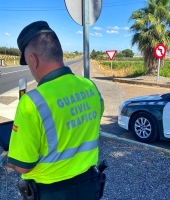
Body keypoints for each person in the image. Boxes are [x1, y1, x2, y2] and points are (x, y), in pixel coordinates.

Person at [7, 21, 105, 200]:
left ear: (33, 60)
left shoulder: (31, 102)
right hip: (89, 187)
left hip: (50, 193)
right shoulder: (91, 88)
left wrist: (8, 158)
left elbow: (23, 165)